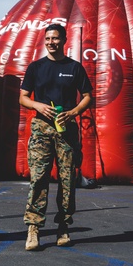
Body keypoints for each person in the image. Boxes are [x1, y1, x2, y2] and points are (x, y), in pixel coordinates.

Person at [19, 23, 93, 251]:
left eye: (55, 38)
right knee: (39, 178)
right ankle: (33, 228)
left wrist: (73, 113)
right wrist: (38, 106)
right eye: (48, 38)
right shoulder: (36, 67)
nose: (51, 42)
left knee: (67, 180)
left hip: (66, 129)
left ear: (64, 40)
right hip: (41, 128)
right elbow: (23, 97)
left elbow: (88, 96)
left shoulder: (74, 68)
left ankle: (63, 226)